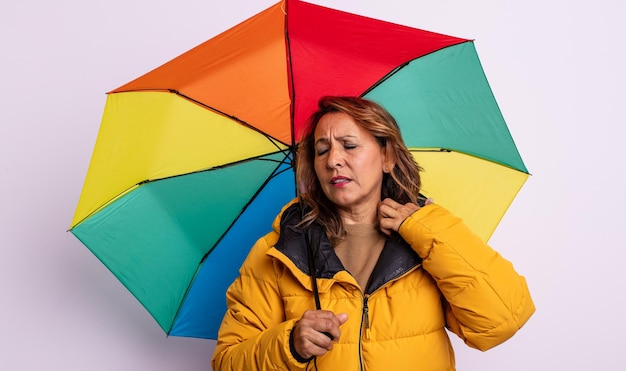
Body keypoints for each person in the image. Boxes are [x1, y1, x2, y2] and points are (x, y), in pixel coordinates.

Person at [212, 96, 534, 370]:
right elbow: (227, 361)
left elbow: (500, 321)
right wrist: (290, 344)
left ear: (387, 156)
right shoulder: (280, 250)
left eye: (349, 145)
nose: (333, 160)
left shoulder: (427, 238)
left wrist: (426, 227)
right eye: (321, 150)